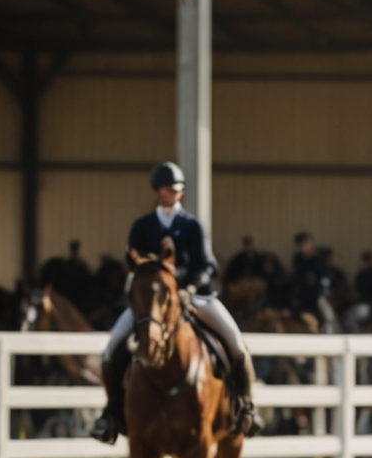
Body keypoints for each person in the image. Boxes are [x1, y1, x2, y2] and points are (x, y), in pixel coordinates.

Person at [91, 162, 262, 442]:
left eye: (177, 190)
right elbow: (134, 265)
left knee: (236, 344)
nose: (173, 194)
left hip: (195, 295)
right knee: (111, 350)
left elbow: (208, 265)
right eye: (169, 189)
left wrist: (190, 285)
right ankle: (111, 412)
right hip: (153, 304)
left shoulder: (192, 225)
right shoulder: (143, 226)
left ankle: (246, 407)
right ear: (159, 192)